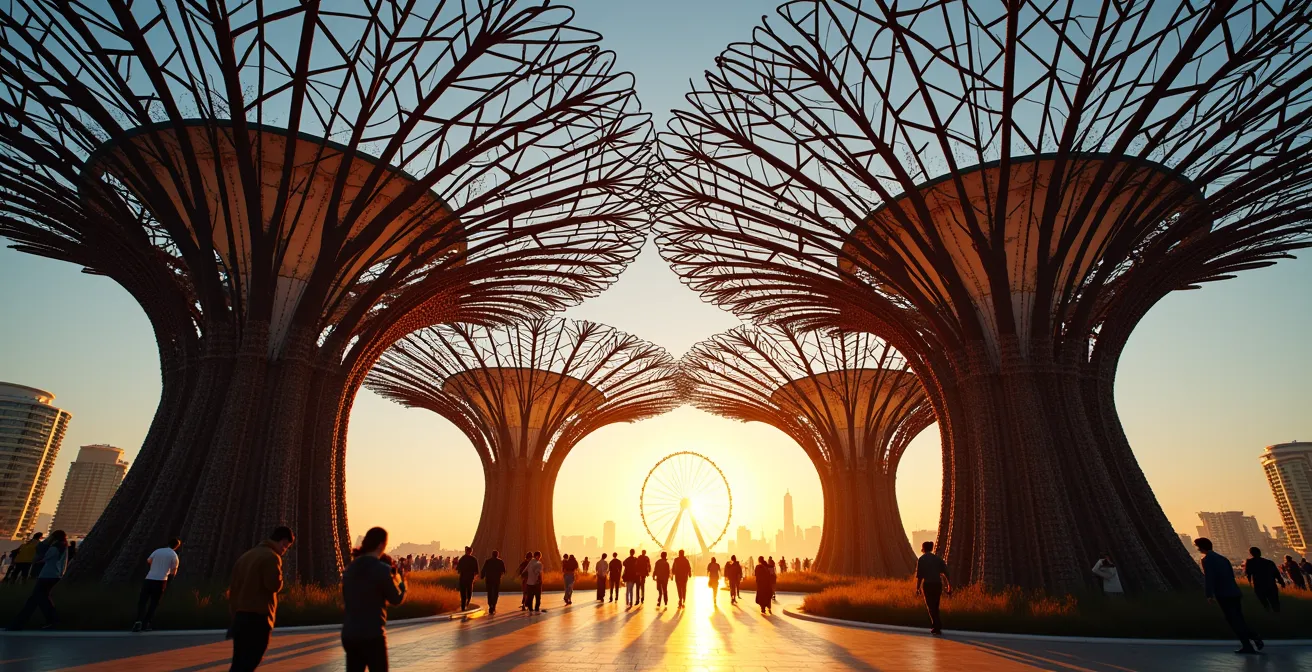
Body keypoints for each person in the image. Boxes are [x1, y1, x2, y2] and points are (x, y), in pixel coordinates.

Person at [228, 526, 295, 672]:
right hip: (258, 618)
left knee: (238, 662)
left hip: (240, 617)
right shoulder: (271, 557)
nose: (284, 551)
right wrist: (281, 579)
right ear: (282, 541)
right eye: (286, 547)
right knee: (251, 660)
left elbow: (234, 589)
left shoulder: (246, 556)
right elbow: (273, 585)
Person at [341, 527, 406, 672]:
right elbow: (396, 599)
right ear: (381, 545)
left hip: (350, 634)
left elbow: (346, 596)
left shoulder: (350, 568)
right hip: (372, 634)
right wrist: (401, 583)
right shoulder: (382, 569)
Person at [1195, 537, 1263, 654]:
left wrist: (1209, 594)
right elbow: (1231, 576)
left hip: (1223, 593)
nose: (1197, 549)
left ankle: (1252, 639)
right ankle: (1249, 643)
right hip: (1234, 592)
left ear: (1201, 547)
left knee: (1233, 620)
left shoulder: (1206, 559)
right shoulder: (1222, 558)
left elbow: (1210, 578)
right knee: (1238, 618)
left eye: (1197, 546)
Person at [7, 530, 68, 630]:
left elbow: (43, 555)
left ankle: (51, 620)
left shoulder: (55, 547)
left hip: (48, 575)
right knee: (38, 598)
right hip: (55, 575)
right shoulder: (63, 547)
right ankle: (19, 623)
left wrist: (46, 542)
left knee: (37, 598)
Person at [133, 538, 182, 632]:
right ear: (176, 546)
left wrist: (155, 567)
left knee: (142, 601)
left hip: (149, 579)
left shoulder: (157, 551)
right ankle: (146, 624)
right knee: (154, 603)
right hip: (161, 580)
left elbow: (149, 560)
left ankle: (138, 621)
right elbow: (173, 571)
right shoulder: (174, 555)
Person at [914, 541, 951, 636]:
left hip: (928, 585)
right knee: (936, 605)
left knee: (930, 607)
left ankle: (937, 626)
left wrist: (917, 588)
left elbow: (920, 576)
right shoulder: (938, 559)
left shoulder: (921, 559)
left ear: (923, 548)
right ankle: (936, 626)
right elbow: (946, 573)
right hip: (938, 584)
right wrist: (949, 586)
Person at [1243, 547, 1285, 613]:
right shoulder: (1269, 562)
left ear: (1251, 554)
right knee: (1275, 602)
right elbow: (1276, 574)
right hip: (1271, 585)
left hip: (1259, 586)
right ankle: (1278, 615)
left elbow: (1248, 574)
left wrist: (1250, 584)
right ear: (1260, 553)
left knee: (1265, 603)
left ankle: (1270, 615)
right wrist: (1282, 583)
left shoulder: (1250, 562)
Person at [481, 550, 506, 616]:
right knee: (495, 593)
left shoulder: (488, 561)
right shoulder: (500, 562)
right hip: (496, 580)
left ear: (492, 555)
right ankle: (493, 605)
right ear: (497, 555)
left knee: (489, 593)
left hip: (489, 580)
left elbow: (484, 569)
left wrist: (482, 576)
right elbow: (503, 571)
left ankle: (490, 605)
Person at [456, 546, 479, 611]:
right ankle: (467, 603)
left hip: (462, 578)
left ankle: (463, 606)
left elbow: (458, 570)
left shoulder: (462, 559)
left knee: (463, 593)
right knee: (469, 592)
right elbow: (476, 571)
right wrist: (474, 577)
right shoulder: (473, 559)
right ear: (471, 552)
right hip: (470, 579)